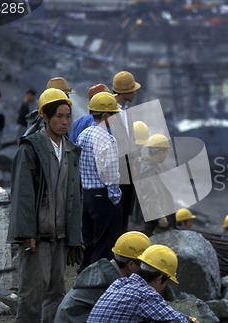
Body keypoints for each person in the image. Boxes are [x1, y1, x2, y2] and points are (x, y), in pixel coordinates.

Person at [7, 88, 84, 323]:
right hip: (37, 235)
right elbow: (22, 194)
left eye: (67, 116)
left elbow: (74, 195)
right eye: (59, 116)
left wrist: (74, 236)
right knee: (32, 292)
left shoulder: (70, 151)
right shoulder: (30, 149)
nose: (64, 122)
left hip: (60, 234)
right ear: (46, 118)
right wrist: (26, 233)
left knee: (57, 292)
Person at [54, 231, 151, 323]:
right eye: (144, 266)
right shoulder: (114, 285)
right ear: (131, 265)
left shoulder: (105, 270)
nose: (146, 271)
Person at [87, 245, 198, 323]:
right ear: (159, 279)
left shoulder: (119, 283)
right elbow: (176, 321)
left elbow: (167, 315)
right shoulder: (147, 294)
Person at [77, 92, 123, 272]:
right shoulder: (107, 138)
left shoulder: (83, 134)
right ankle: (96, 284)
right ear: (105, 116)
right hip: (102, 197)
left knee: (88, 243)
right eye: (114, 114)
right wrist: (115, 199)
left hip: (86, 196)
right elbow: (110, 174)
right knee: (104, 246)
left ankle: (82, 278)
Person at [112, 70, 141, 233]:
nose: (135, 92)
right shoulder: (108, 112)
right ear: (125, 92)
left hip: (128, 171)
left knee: (124, 214)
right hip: (116, 173)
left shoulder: (126, 112)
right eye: (133, 89)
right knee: (116, 214)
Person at [138, 134, 176, 236]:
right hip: (152, 223)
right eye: (166, 152)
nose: (166, 155)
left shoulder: (151, 167)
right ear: (160, 152)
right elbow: (151, 196)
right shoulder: (149, 171)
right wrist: (161, 217)